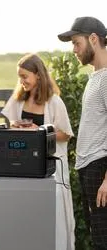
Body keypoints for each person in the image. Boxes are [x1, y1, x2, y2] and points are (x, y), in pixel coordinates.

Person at [1, 53, 75, 250]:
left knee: (52, 218)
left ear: (39, 76)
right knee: (25, 219)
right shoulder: (17, 101)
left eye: (25, 76)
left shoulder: (54, 102)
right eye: (19, 77)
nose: (21, 81)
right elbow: (9, 131)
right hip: (24, 169)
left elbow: (65, 134)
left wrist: (40, 131)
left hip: (50, 170)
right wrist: (15, 128)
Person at [58, 16, 107, 250]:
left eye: (77, 43)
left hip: (101, 169)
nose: (75, 50)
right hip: (90, 169)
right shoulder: (95, 77)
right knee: (97, 238)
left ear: (94, 39)